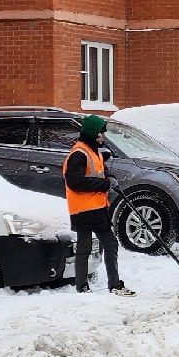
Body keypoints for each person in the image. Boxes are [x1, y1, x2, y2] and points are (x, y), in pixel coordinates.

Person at [64, 115, 133, 296]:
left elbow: (102, 172)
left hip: (97, 207)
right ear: (93, 133)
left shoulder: (93, 151)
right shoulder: (78, 154)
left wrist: (110, 178)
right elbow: (75, 182)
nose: (103, 136)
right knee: (87, 247)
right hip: (84, 209)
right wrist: (105, 184)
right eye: (101, 132)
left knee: (107, 244)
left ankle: (109, 285)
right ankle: (85, 287)